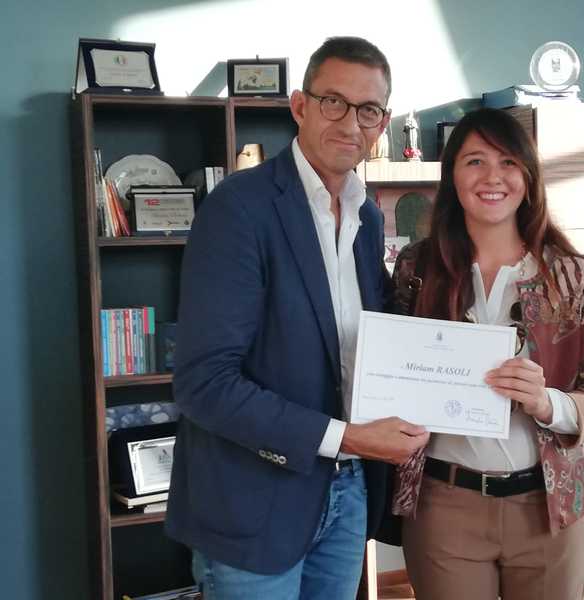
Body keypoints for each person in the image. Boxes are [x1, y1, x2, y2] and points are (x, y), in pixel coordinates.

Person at [165, 36, 430, 600]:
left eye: (368, 110)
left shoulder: (366, 218)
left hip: (348, 492)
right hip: (253, 503)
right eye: (333, 102)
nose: (350, 124)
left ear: (383, 123)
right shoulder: (239, 209)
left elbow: (373, 340)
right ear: (300, 105)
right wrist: (347, 438)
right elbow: (204, 384)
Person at [388, 108, 584, 600]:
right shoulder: (417, 269)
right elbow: (391, 376)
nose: (492, 177)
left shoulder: (575, 277)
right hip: (444, 505)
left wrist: (548, 403)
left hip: (549, 507)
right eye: (474, 161)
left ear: (528, 176)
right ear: (452, 176)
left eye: (508, 162)